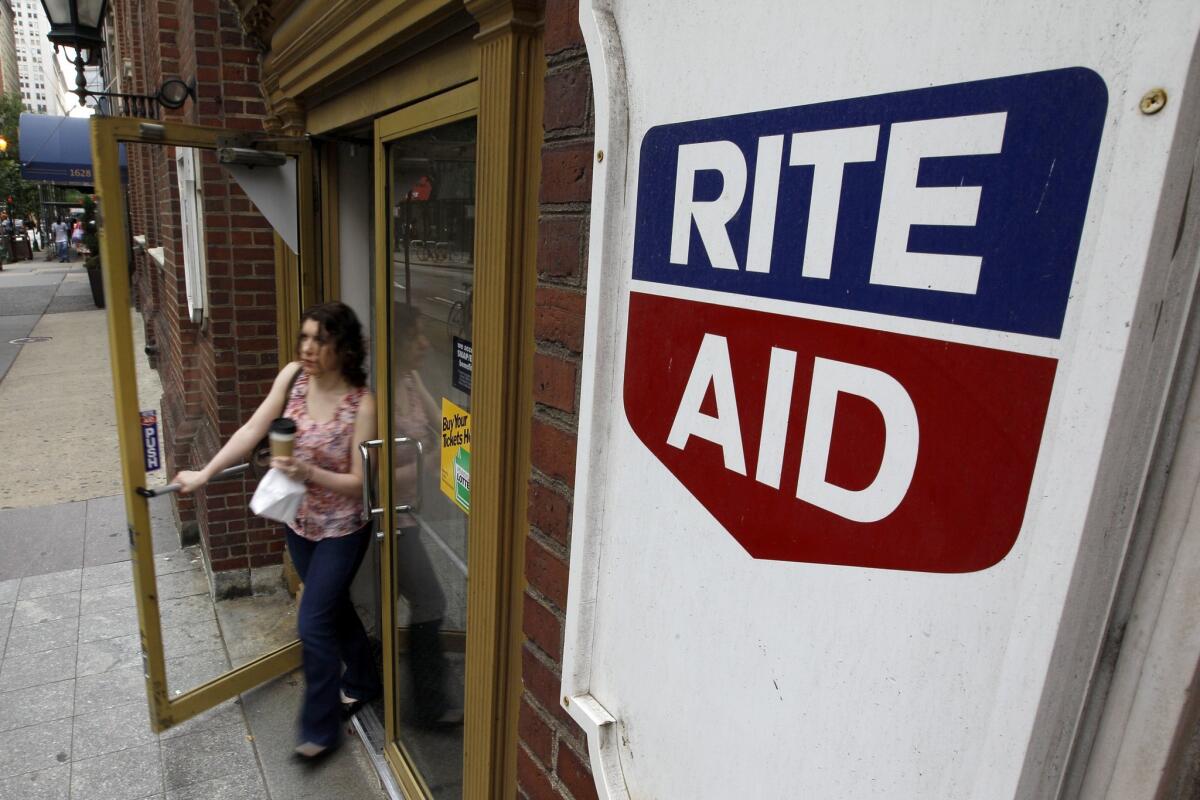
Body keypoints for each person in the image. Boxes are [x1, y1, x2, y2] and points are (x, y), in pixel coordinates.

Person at [172, 301, 380, 760]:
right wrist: (204, 473)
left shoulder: (361, 405)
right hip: (299, 523)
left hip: (343, 529)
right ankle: (364, 679)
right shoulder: (292, 378)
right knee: (335, 609)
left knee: (313, 620)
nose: (307, 348)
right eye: (304, 337)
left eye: (319, 341)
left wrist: (308, 472)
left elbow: (360, 484)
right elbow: (253, 428)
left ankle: (319, 729)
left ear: (343, 349)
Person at [391, 303, 463, 728]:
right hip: (384, 521)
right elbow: (373, 475)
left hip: (407, 516)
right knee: (430, 599)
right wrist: (429, 463)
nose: (424, 342)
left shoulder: (409, 380)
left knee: (424, 600)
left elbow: (448, 430)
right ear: (395, 341)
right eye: (415, 335)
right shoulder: (379, 393)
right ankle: (428, 708)